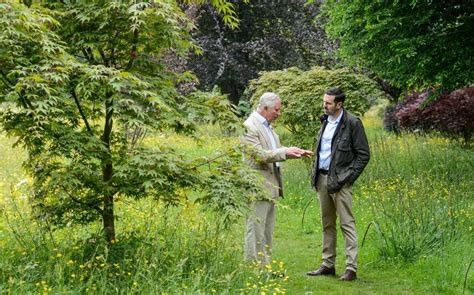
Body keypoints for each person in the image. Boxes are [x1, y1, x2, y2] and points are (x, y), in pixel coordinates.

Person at [241, 92, 312, 266]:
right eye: (276, 110)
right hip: (257, 185)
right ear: (265, 108)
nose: (279, 113)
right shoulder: (250, 126)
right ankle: (253, 267)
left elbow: (274, 150)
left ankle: (265, 266)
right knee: (256, 228)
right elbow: (258, 154)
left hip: (271, 185)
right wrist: (283, 152)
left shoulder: (268, 126)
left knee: (267, 230)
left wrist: (292, 151)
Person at [306, 87, 370, 281]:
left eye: (328, 103)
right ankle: (328, 264)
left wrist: (348, 178)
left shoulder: (352, 123)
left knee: (347, 224)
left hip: (341, 182)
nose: (324, 105)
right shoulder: (325, 121)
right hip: (322, 179)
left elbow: (363, 155)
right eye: (324, 101)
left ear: (339, 104)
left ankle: (351, 268)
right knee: (327, 224)